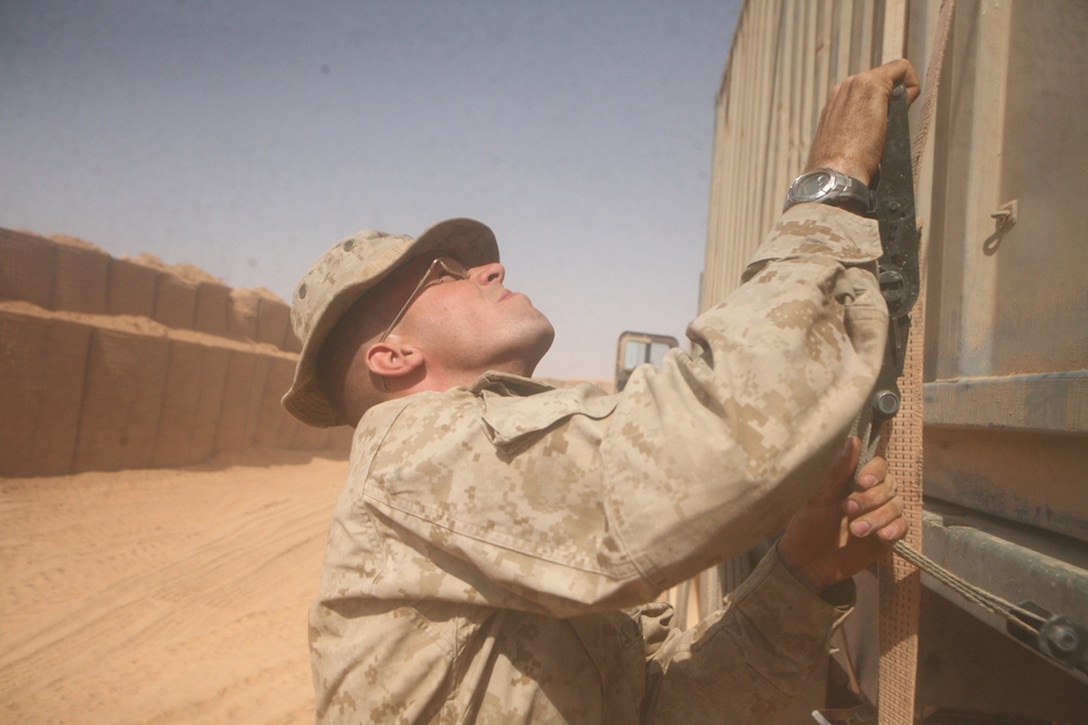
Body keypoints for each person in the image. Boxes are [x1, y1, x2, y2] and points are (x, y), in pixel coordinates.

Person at [282, 59, 918, 724]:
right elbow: (723, 433)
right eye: (446, 273)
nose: (492, 268)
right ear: (393, 355)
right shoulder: (407, 449)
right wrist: (831, 185)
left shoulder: (503, 495)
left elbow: (666, 709)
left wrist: (800, 574)